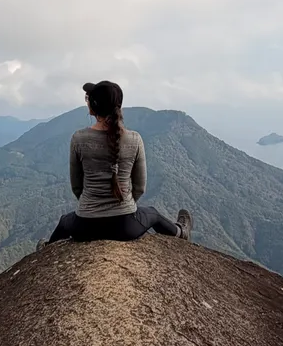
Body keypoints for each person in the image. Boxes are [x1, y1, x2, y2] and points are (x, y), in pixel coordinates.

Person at [46, 80, 192, 244]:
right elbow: (139, 187)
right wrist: (124, 208)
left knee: (65, 221)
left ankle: (45, 249)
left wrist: (93, 207)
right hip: (125, 226)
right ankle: (181, 231)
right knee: (153, 213)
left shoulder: (78, 138)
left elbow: (76, 186)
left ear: (92, 107)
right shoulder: (135, 139)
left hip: (85, 226)